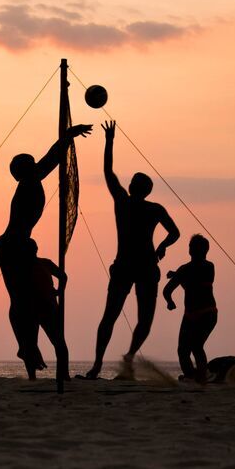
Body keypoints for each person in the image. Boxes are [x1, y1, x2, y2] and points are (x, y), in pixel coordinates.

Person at [0, 124, 92, 379]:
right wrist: (67, 137)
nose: (34, 164)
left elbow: (49, 161)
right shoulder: (29, 181)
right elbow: (50, 160)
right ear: (22, 171)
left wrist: (67, 138)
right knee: (19, 299)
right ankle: (26, 344)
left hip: (18, 244)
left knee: (24, 300)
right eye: (29, 163)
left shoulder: (32, 180)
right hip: (11, 245)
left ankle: (28, 346)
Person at [84, 121, 180, 379]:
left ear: (134, 188)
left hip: (136, 266)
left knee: (119, 317)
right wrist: (163, 246)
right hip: (135, 265)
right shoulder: (145, 207)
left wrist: (109, 141)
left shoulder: (128, 203)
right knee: (126, 318)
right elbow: (175, 233)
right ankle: (110, 362)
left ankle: (105, 363)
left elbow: (108, 171)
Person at [163, 234, 217, 382]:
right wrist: (169, 301)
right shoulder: (184, 270)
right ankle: (191, 375)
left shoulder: (209, 266)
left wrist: (177, 275)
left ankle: (202, 376)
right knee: (182, 350)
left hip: (207, 313)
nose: (193, 250)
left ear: (205, 250)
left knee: (196, 346)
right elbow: (167, 291)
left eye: (196, 247)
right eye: (192, 247)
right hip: (190, 315)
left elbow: (195, 278)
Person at [26, 239, 69, 380]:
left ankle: (63, 374)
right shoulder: (21, 266)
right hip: (31, 308)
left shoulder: (45, 263)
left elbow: (63, 276)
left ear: (36, 249)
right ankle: (32, 376)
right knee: (30, 344)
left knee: (58, 342)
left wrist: (59, 291)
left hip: (48, 307)